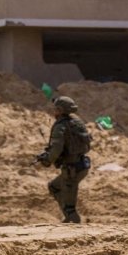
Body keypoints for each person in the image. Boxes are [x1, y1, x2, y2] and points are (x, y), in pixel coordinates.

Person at [36, 95, 92, 224]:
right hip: (81, 165)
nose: (53, 111)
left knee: (65, 199)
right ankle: (69, 216)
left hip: (71, 169)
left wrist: (47, 160)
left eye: (56, 109)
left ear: (60, 110)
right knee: (54, 186)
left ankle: (72, 218)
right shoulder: (77, 122)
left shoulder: (60, 126)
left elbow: (56, 149)